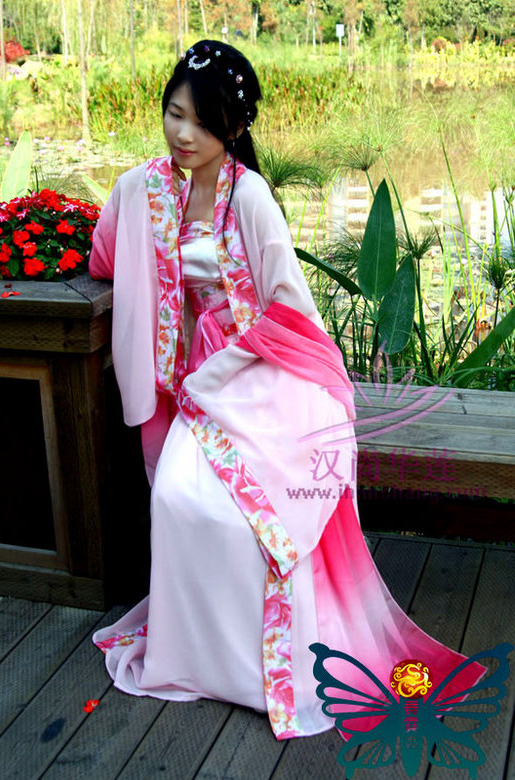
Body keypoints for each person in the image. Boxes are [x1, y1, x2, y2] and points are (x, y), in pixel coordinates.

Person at [90, 40, 484, 740]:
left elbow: (289, 307)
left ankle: (262, 663)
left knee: (250, 516)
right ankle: (195, 657)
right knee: (178, 497)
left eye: (202, 122)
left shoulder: (250, 197)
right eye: (174, 113)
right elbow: (106, 253)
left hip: (262, 371)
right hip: (195, 377)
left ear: (235, 128)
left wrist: (217, 371)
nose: (183, 134)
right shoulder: (145, 188)